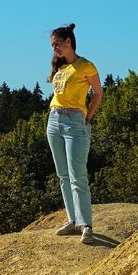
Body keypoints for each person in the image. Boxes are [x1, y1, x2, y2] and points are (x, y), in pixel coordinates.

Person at [46, 23, 102, 245]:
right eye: (52, 46)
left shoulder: (86, 66)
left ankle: (86, 224)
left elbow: (98, 94)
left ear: (68, 42)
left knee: (78, 174)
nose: (55, 50)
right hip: (54, 120)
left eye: (57, 45)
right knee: (63, 175)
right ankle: (72, 220)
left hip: (75, 122)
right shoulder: (60, 67)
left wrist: (87, 118)